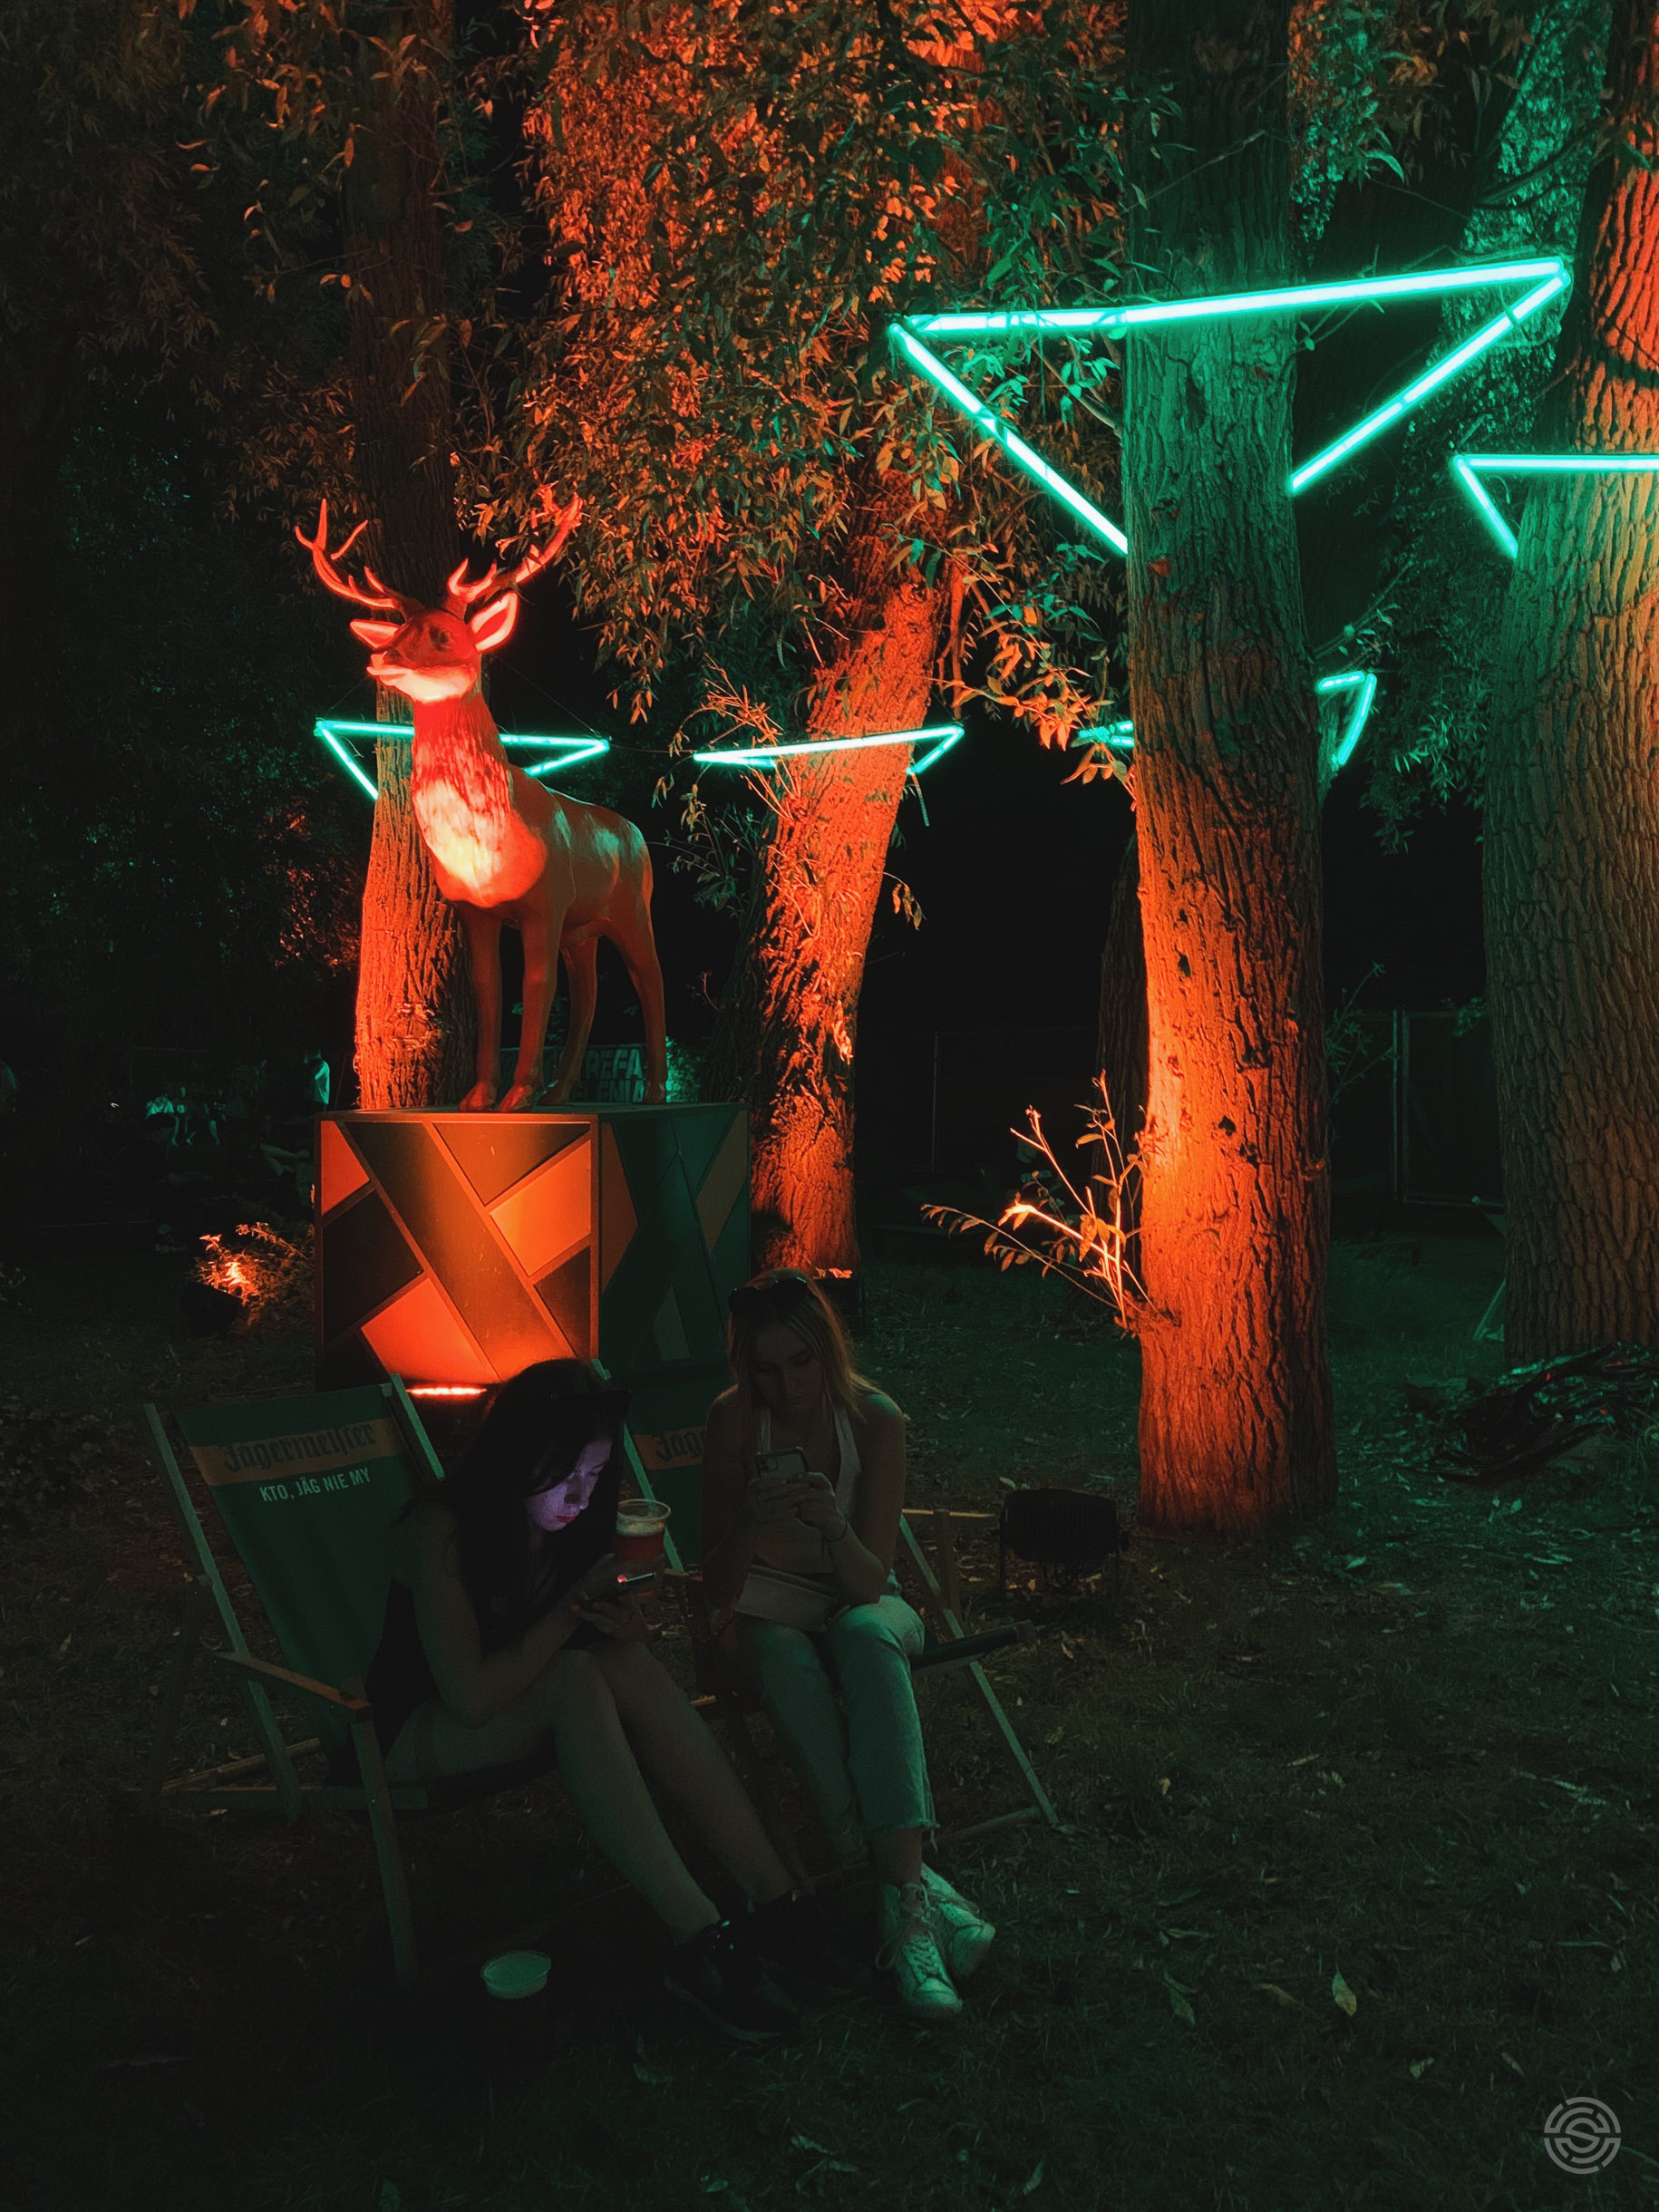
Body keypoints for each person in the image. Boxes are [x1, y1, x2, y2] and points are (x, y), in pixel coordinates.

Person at [365, 1358, 862, 2041]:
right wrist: (572, 1608)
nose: (580, 1493)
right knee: (576, 1678)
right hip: (410, 1730)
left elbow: (583, 1640)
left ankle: (777, 1901)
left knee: (622, 1660)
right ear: (513, 1456)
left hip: (521, 1695)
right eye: (563, 1474)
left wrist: (622, 1622)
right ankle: (696, 1938)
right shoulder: (443, 1532)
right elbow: (471, 1698)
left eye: (595, 1474)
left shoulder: (573, 1524)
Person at [700, 1268, 996, 2021]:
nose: (786, 1386)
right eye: (766, 1369)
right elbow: (718, 1587)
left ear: (826, 1352)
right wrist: (749, 1519)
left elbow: (869, 1584)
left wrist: (831, 1525)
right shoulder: (734, 1421)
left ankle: (889, 1894)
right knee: (779, 1655)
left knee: (865, 1635)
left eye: (801, 1363)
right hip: (768, 1607)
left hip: (860, 1598)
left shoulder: (871, 1418)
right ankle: (907, 1896)